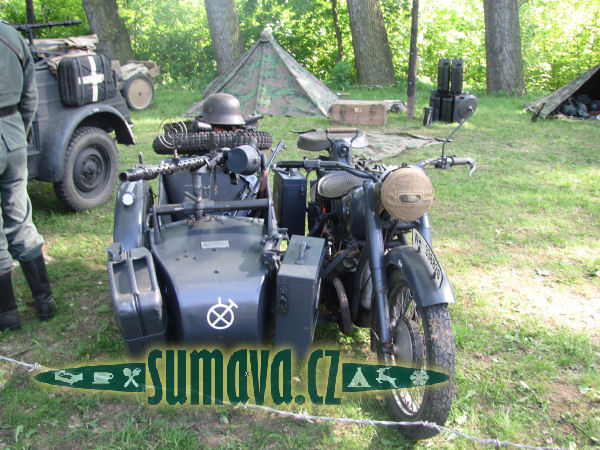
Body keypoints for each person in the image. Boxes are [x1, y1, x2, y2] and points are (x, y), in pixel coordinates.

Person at [0, 20, 55, 331]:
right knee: (21, 218)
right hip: (12, 136)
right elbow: (30, 96)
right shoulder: (11, 36)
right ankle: (45, 301)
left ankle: (7, 314)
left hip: (10, 132)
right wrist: (16, 133)